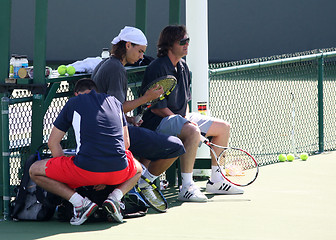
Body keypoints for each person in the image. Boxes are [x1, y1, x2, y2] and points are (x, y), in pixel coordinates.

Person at [140, 25, 244, 202]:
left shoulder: (183, 67)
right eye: (182, 42)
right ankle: (187, 186)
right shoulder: (157, 67)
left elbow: (185, 102)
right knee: (193, 131)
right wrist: (185, 124)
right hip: (158, 121)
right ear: (169, 44)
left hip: (179, 117)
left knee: (223, 128)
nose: (186, 45)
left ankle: (217, 180)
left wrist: (186, 119)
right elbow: (157, 107)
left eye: (187, 41)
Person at [29, 78, 142, 225]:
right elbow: (126, 144)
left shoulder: (73, 102)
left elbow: (53, 143)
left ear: (76, 94)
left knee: (34, 170)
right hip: (117, 171)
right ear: (97, 91)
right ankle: (115, 198)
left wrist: (66, 176)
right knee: (138, 168)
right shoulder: (115, 102)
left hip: (85, 171)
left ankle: (80, 203)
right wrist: (105, 179)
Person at [92, 26, 185, 192]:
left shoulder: (106, 64)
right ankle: (140, 183)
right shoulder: (116, 68)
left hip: (105, 132)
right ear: (128, 45)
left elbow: (108, 107)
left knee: (153, 141)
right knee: (177, 146)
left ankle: (134, 182)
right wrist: (147, 98)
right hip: (113, 135)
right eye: (140, 51)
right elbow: (117, 107)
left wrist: (128, 119)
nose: (142, 56)